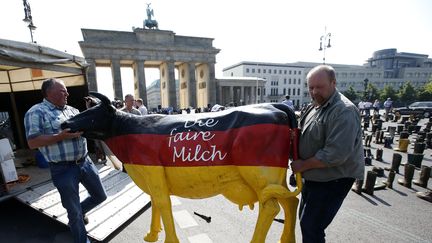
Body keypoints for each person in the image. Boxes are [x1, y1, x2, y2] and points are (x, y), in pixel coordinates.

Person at [24, 78, 107, 243]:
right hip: (63, 169)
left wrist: (91, 113)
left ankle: (77, 214)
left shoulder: (73, 110)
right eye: (63, 91)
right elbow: (32, 142)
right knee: (73, 211)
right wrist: (59, 137)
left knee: (100, 196)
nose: (67, 93)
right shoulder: (36, 112)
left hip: (85, 163)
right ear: (49, 93)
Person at [291, 65, 364, 243]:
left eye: (319, 87)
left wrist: (302, 165)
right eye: (310, 87)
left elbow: (335, 154)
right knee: (306, 223)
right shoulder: (315, 106)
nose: (314, 91)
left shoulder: (343, 111)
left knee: (312, 226)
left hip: (333, 179)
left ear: (333, 83)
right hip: (314, 176)